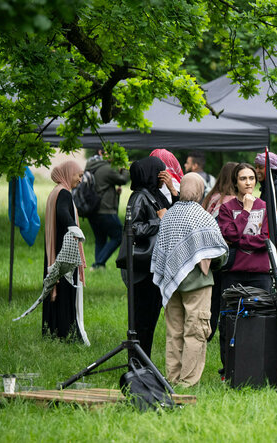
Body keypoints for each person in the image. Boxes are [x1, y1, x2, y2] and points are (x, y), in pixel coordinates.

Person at [151, 173, 228, 387]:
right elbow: (219, 252)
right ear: (200, 190)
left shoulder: (170, 215)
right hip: (198, 284)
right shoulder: (202, 216)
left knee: (174, 332)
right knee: (195, 331)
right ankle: (187, 381)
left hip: (172, 283)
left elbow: (162, 250)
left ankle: (172, 378)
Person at [120, 156, 178, 357]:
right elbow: (132, 228)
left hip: (153, 267)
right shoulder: (139, 197)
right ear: (150, 174)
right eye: (160, 172)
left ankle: (145, 363)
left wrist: (172, 190)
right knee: (141, 322)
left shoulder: (154, 195)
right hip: (142, 271)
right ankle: (137, 364)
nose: (163, 176)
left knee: (150, 321)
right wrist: (158, 221)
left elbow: (174, 216)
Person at [217, 163, 271, 369]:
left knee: (261, 320)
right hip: (234, 273)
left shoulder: (265, 206)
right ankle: (229, 367)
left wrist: (239, 241)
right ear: (235, 182)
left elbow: (265, 240)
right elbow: (228, 234)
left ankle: (259, 366)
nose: (248, 182)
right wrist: (246, 211)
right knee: (229, 320)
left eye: (251, 178)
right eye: (243, 178)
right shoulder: (226, 208)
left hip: (260, 273)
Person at [42, 161, 90, 345]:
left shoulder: (56, 191)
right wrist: (74, 228)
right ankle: (65, 332)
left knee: (56, 287)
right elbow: (62, 212)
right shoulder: (63, 193)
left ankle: (53, 331)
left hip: (56, 250)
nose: (80, 179)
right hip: (65, 253)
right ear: (69, 174)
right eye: (78, 175)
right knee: (64, 290)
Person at [202, 161, 238, 342]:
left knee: (212, 298)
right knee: (225, 297)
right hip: (226, 253)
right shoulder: (232, 201)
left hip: (207, 253)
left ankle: (207, 331)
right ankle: (222, 331)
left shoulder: (211, 197)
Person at [85, 149, 130, 270]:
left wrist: (114, 192)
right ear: (101, 153)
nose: (114, 156)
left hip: (92, 210)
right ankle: (98, 263)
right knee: (119, 236)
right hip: (105, 210)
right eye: (112, 153)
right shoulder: (106, 168)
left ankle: (99, 266)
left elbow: (101, 186)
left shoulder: (91, 167)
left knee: (100, 239)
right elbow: (123, 180)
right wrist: (125, 168)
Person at [254, 151, 277, 215]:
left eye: (260, 168)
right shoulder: (268, 187)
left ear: (271, 169)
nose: (256, 171)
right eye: (256, 167)